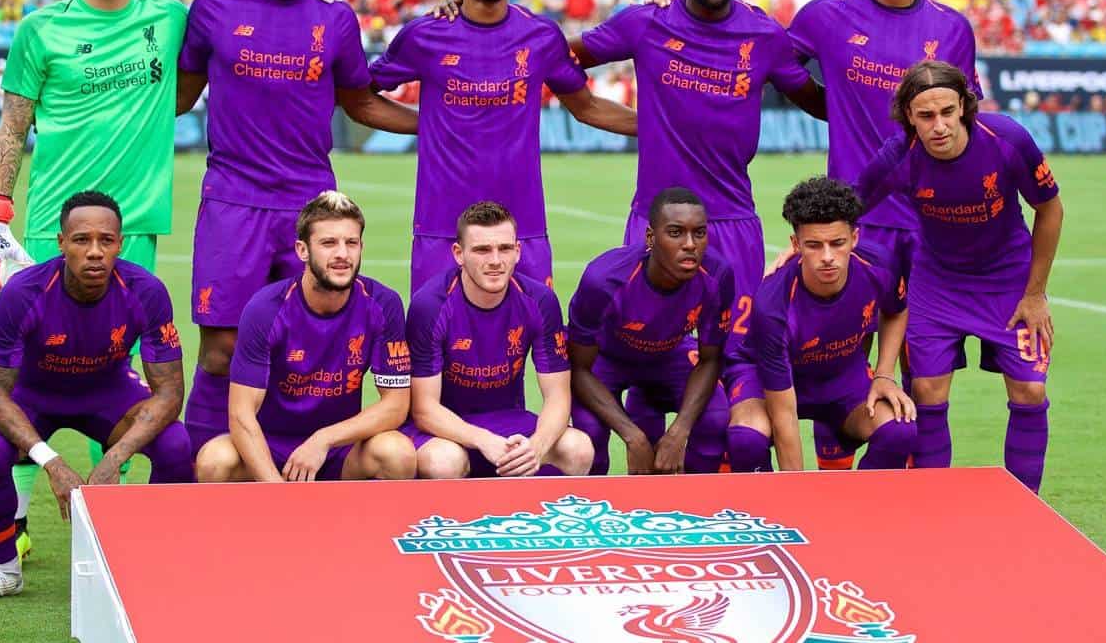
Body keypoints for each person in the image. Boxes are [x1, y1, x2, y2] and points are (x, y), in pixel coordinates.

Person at [0, 0, 188, 562]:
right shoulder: (41, 30)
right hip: (49, 229)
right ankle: (11, 526)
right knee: (22, 379)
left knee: (120, 382)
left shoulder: (168, 18)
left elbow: (250, 12)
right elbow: (13, 124)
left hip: (137, 230)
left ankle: (107, 524)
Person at [177, 0, 418, 462]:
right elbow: (179, 98)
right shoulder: (214, 8)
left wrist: (445, 124)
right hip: (233, 198)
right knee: (220, 348)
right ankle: (201, 470)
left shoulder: (334, 18)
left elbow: (360, 103)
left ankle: (320, 460)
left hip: (311, 204)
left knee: (315, 333)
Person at [580, 0, 824, 473]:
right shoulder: (646, 23)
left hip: (733, 222)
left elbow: (816, 99)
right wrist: (622, 119)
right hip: (654, 218)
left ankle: (724, 491)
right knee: (645, 352)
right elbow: (562, 59)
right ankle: (646, 496)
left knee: (730, 364)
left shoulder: (762, 34)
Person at [787, 0, 982, 469]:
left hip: (932, 228)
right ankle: (833, 490)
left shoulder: (952, 28)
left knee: (926, 381)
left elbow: (964, 123)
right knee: (839, 365)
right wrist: (829, 107)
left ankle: (917, 506)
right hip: (857, 224)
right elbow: (770, 64)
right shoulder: (825, 16)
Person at [370, 0, 636, 296]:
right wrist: (428, 125)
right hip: (441, 224)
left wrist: (659, 125)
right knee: (434, 345)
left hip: (522, 224)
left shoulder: (541, 36)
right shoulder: (425, 34)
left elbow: (587, 107)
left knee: (529, 343)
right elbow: (360, 96)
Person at [0, 192, 192, 603]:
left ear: (121, 243)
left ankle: (156, 560)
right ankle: (5, 569)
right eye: (82, 240)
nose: (95, 252)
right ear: (61, 242)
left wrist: (113, 458)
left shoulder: (146, 290)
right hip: (33, 397)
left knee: (176, 443)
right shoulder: (23, 292)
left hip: (108, 394)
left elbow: (170, 392)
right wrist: (52, 463)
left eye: (107, 240)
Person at [855, 61, 1063, 493]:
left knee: (1029, 393)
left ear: (965, 107)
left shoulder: (1006, 139)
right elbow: (844, 208)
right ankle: (934, 505)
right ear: (909, 117)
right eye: (926, 115)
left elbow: (1050, 208)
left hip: (1009, 281)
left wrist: (1036, 294)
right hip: (937, 282)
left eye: (947, 111)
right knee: (928, 390)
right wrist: (799, 246)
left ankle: (1025, 508)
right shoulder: (898, 156)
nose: (939, 126)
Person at [195, 191, 416, 482]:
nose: (342, 254)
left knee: (397, 453)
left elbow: (396, 405)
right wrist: (278, 489)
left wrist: (323, 440)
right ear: (302, 250)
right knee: (214, 461)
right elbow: (241, 415)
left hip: (339, 448)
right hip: (272, 448)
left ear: (361, 246)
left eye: (351, 243)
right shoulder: (265, 309)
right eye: (328, 243)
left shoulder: (383, 303)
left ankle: (363, 527)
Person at [405, 201, 593, 478]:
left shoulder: (539, 300)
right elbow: (424, 409)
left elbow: (558, 396)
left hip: (507, 420)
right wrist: (483, 440)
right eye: (482, 250)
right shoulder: (430, 305)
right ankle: (452, 521)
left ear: (517, 251)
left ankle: (535, 519)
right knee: (443, 461)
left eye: (504, 248)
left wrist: (536, 447)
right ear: (459, 254)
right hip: (444, 430)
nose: (495, 260)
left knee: (578, 448)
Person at [740, 177, 915, 472]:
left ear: (855, 239)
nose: (827, 257)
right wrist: (798, 502)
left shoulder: (879, 266)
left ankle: (858, 511)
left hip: (841, 377)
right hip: (775, 382)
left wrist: (884, 374)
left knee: (900, 430)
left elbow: (896, 311)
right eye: (813, 245)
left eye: (837, 243)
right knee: (747, 438)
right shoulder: (773, 305)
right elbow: (784, 417)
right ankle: (768, 510)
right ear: (795, 245)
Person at [568, 187, 736, 475]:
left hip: (669, 354)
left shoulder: (718, 276)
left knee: (715, 417)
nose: (690, 244)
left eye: (699, 233)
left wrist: (680, 431)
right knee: (590, 432)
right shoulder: (603, 280)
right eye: (675, 232)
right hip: (607, 359)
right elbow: (579, 368)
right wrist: (634, 438)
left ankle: (701, 506)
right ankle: (592, 510)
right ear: (650, 238)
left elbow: (710, 359)